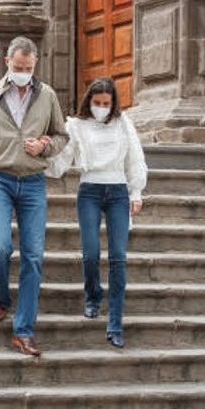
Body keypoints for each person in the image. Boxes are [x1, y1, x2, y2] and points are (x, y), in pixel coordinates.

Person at [0, 36, 69, 357]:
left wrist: (45, 146)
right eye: (19, 67)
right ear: (7, 62)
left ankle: (23, 331)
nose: (24, 73)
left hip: (33, 183)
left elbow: (62, 135)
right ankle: (1, 298)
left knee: (33, 257)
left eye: (29, 68)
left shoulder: (46, 95)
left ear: (35, 65)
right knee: (1, 246)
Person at [44, 77, 148, 349]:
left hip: (118, 192)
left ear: (113, 103)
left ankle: (115, 323)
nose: (101, 107)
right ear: (89, 101)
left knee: (118, 259)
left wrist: (136, 192)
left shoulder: (124, 124)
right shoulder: (76, 126)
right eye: (97, 103)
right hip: (89, 189)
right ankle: (92, 296)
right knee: (90, 254)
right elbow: (62, 159)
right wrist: (41, 156)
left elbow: (135, 158)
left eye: (106, 103)